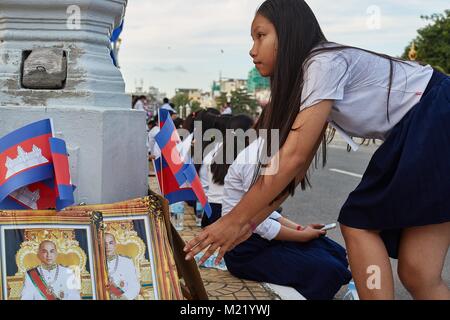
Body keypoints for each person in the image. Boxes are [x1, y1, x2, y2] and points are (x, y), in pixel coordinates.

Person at [185, 0, 450, 300]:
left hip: (433, 112)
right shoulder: (315, 74)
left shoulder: (322, 63)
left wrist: (234, 222)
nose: (252, 49)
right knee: (419, 273)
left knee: (358, 221)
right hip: (431, 117)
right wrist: (250, 222)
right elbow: (294, 168)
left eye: (260, 36)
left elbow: (292, 157)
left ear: (287, 33)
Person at [222, 136, 351, 300]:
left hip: (262, 240)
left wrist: (299, 229)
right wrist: (301, 236)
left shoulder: (269, 152)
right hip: (245, 252)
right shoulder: (255, 160)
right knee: (328, 269)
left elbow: (267, 211)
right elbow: (257, 223)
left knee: (332, 249)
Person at [105, 233, 141, 300]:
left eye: (110, 243)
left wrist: (124, 297)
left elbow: (135, 286)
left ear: (115, 244)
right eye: (105, 244)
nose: (107, 247)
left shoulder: (126, 262)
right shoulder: (97, 264)